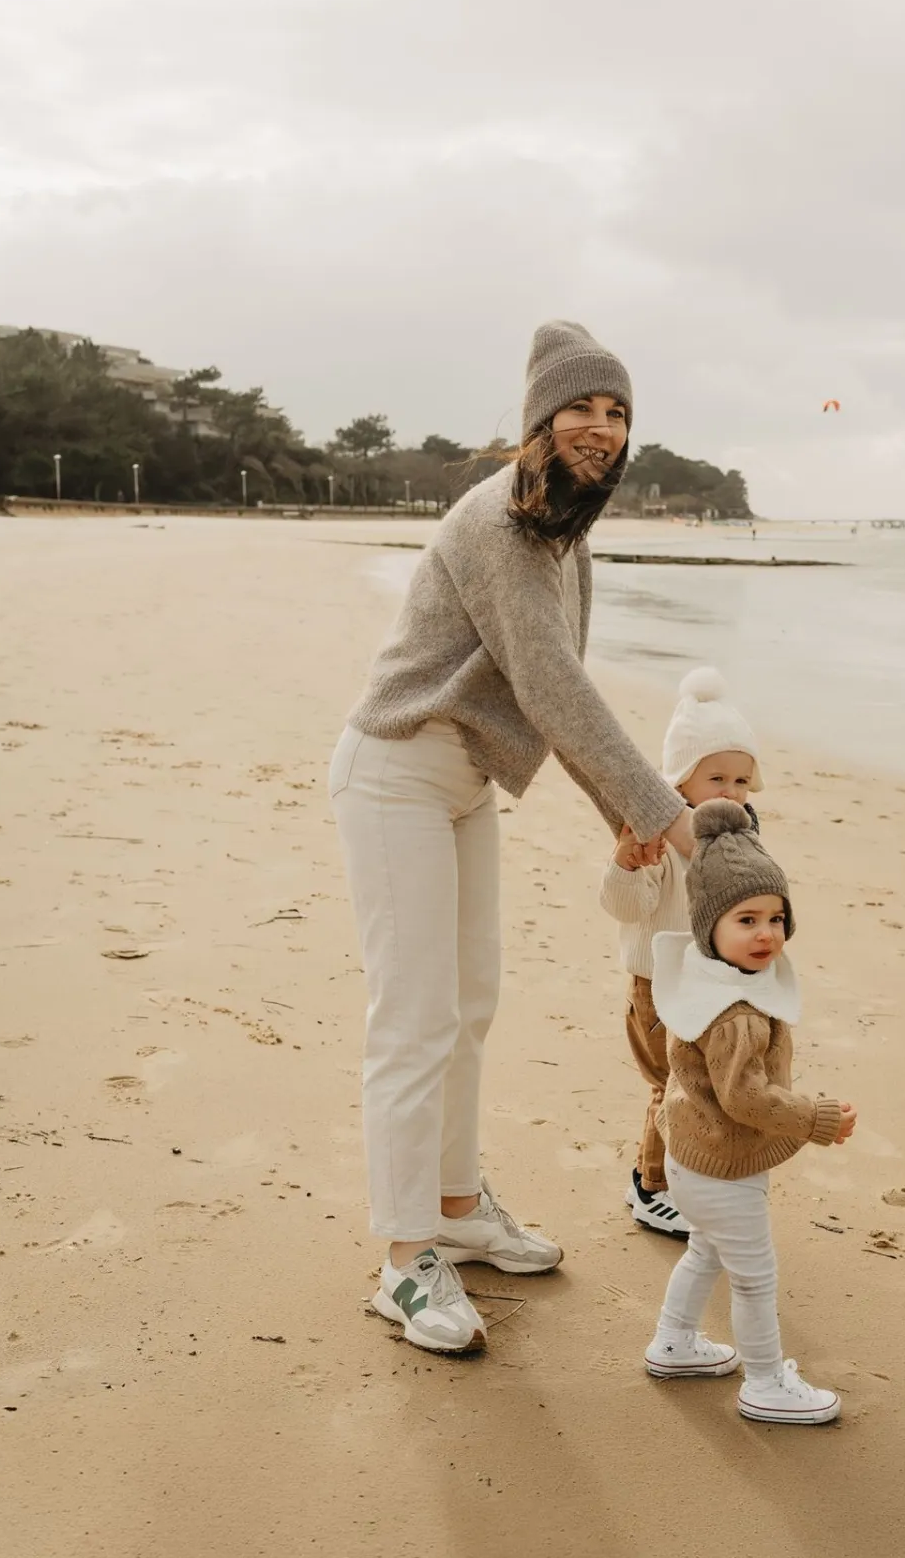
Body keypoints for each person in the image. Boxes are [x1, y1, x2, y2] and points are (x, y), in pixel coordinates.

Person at [331, 321, 695, 1356]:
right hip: (396, 774)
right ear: (539, 417)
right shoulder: (500, 521)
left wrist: (623, 821)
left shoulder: (562, 532)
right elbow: (550, 685)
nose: (601, 426)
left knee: (471, 1006)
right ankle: (405, 1261)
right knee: (413, 1022)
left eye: (617, 412)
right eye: (582, 406)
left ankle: (454, 1207)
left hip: (461, 785)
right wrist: (662, 814)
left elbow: (549, 698)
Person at [643, 800, 857, 1423]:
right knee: (755, 1277)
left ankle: (674, 1342)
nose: (767, 934)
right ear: (709, 926)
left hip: (693, 1156)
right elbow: (746, 1098)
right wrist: (816, 1118)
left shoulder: (706, 979)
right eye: (746, 920)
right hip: (722, 1170)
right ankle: (765, 1383)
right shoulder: (735, 1014)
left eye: (776, 918)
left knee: (704, 1251)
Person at [599, 668, 763, 1239]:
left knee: (700, 1088)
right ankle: (651, 1187)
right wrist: (627, 864)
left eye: (741, 780)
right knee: (671, 1086)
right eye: (715, 778)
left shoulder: (741, 840)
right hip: (657, 987)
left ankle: (682, 1177)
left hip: (709, 989)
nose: (730, 791)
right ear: (679, 781)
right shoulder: (659, 840)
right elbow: (626, 907)